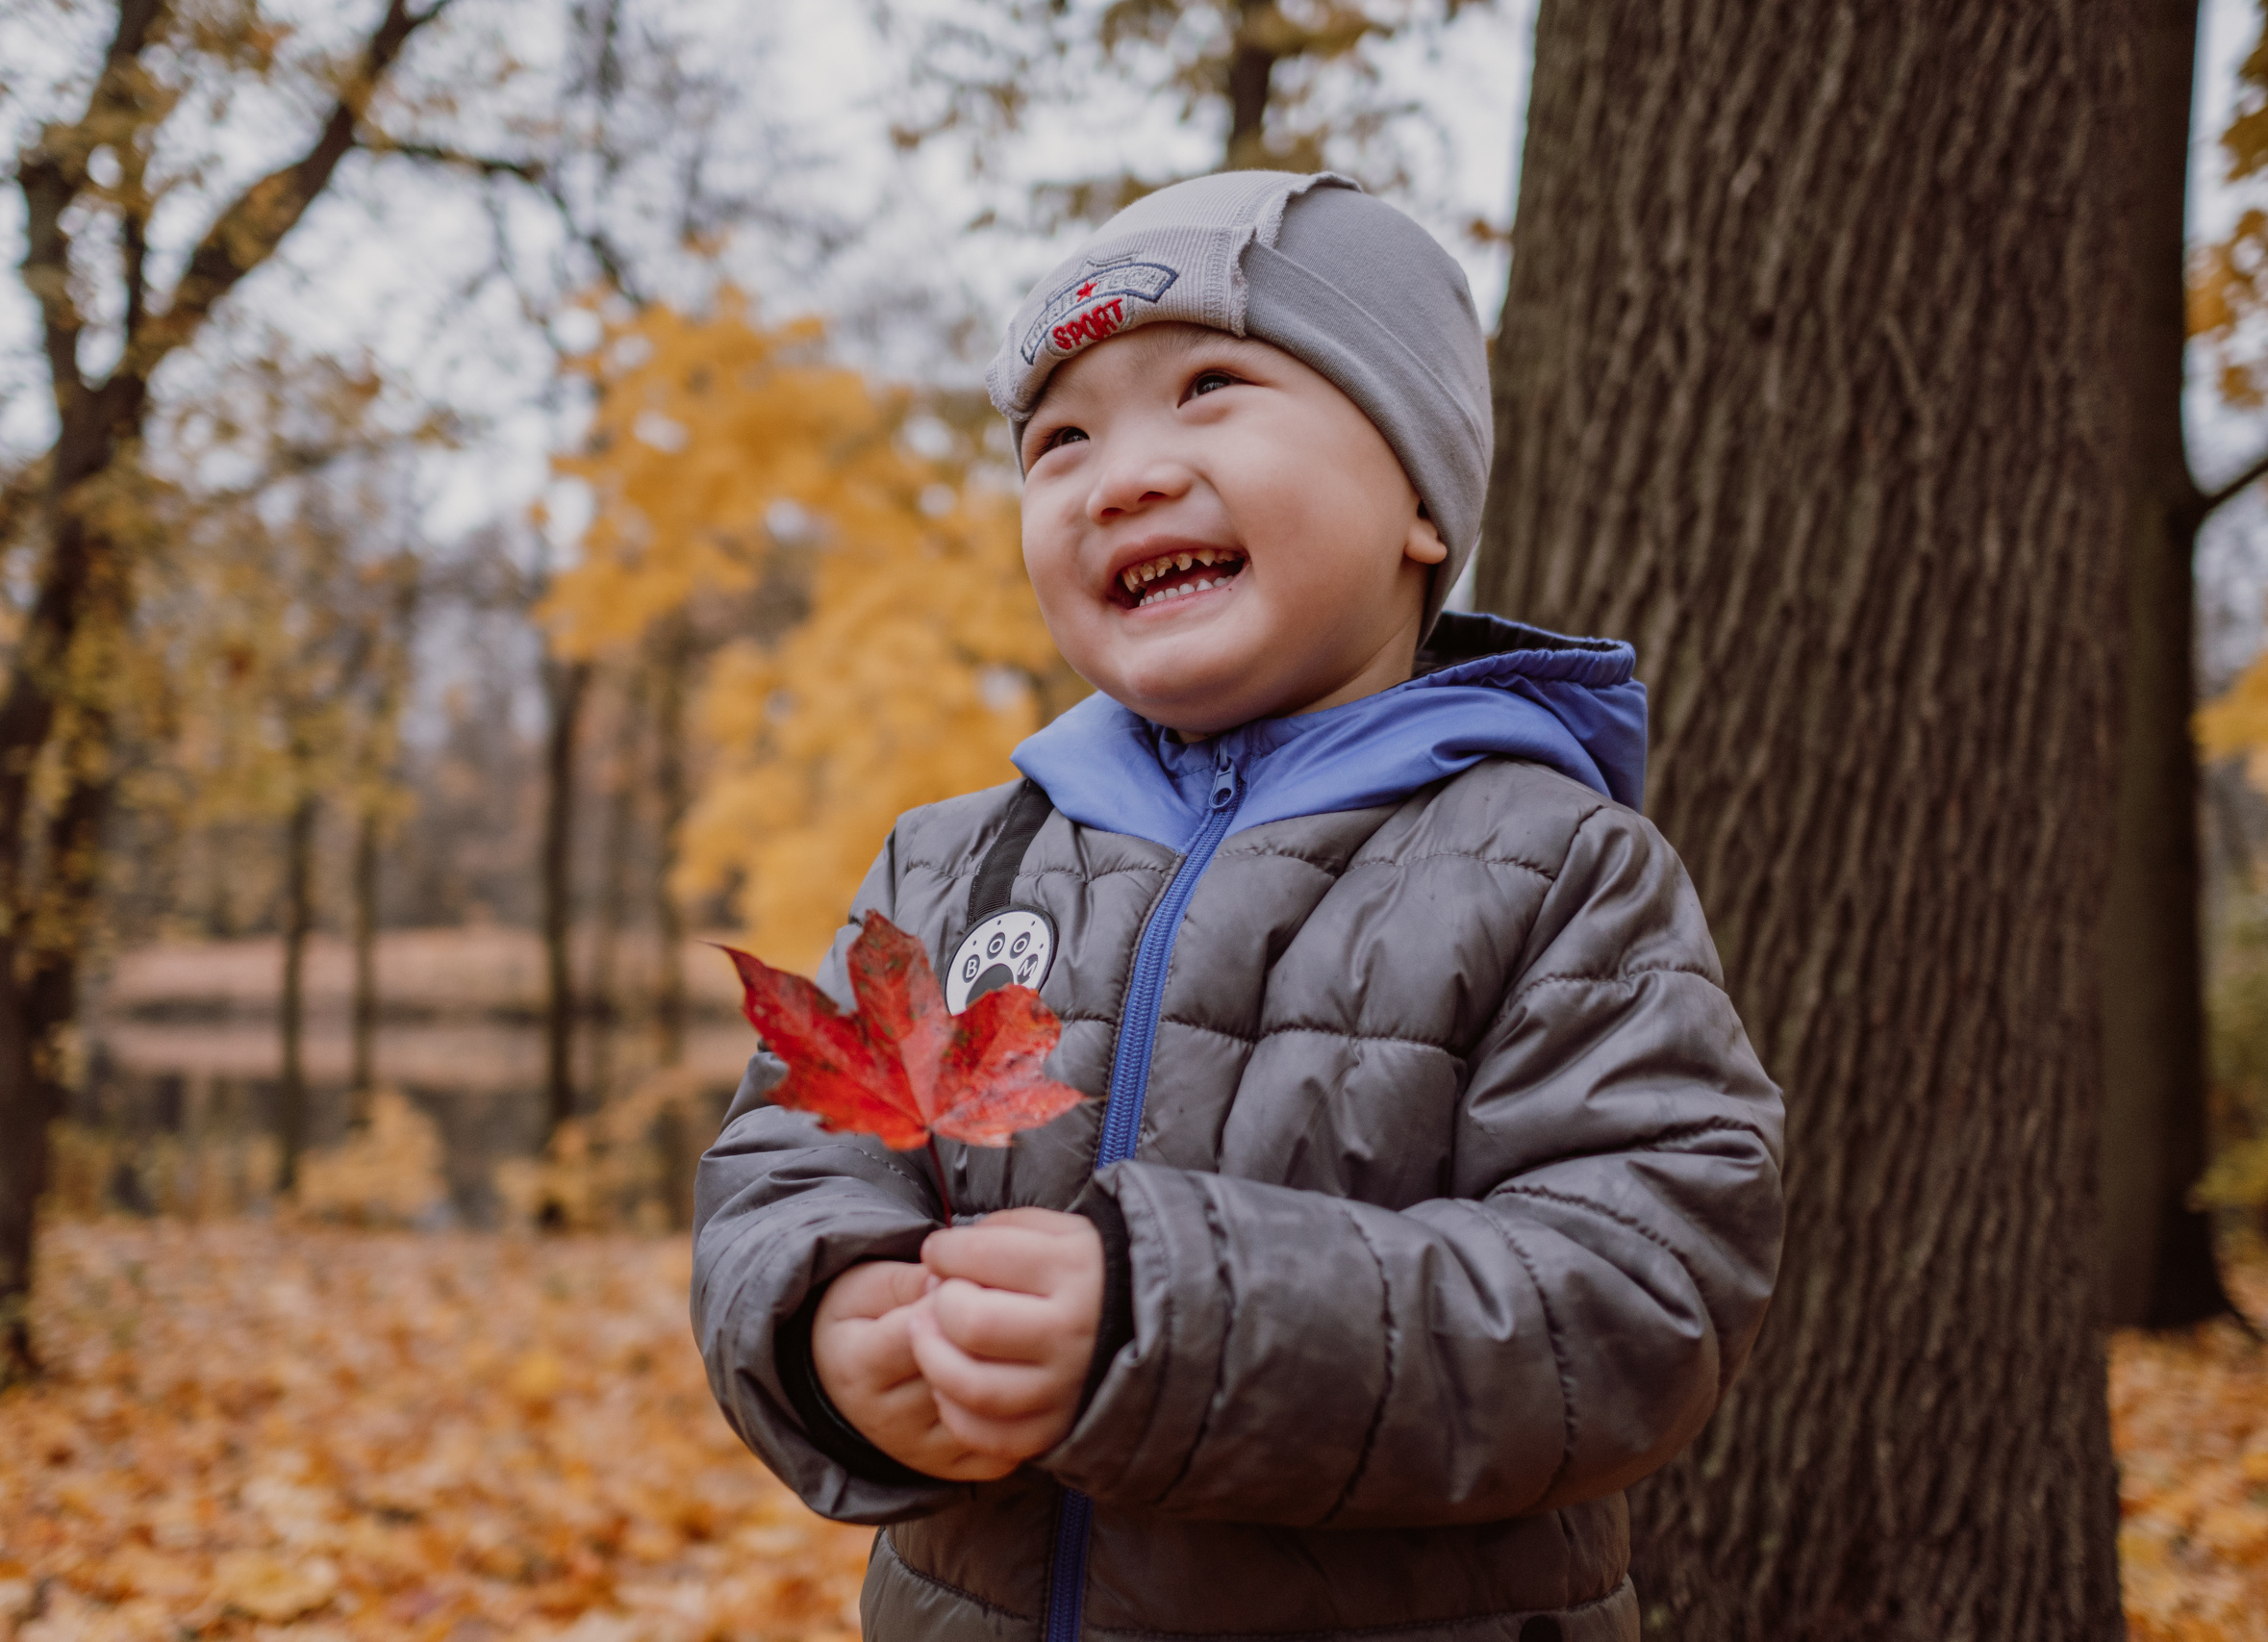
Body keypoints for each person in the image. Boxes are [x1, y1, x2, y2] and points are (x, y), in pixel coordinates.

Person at [693, 170, 1784, 1642]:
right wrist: (826, 1321)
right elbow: (792, 1158)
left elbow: (1637, 1294)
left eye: (1212, 389)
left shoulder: (1554, 867)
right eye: (1059, 440)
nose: (1120, 475)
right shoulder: (957, 867)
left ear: (1417, 497)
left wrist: (1169, 1322)